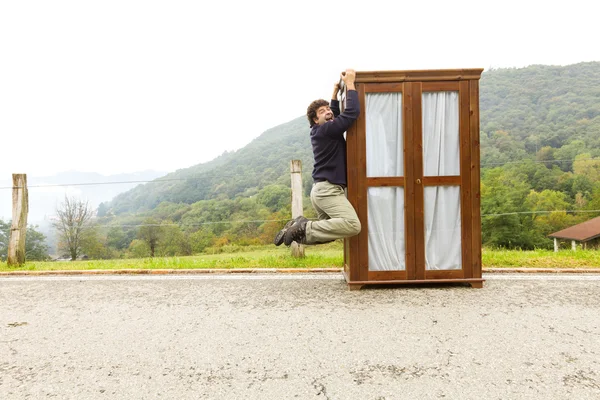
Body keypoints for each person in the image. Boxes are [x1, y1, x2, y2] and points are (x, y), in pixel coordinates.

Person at [274, 69, 361, 246]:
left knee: (329, 232)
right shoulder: (327, 129)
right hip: (328, 190)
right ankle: (303, 227)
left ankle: (297, 229)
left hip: (320, 190)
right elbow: (351, 113)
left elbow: (334, 114)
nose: (328, 111)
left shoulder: (320, 130)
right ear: (315, 119)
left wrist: (334, 94)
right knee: (352, 225)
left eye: (328, 108)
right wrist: (350, 84)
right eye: (322, 111)